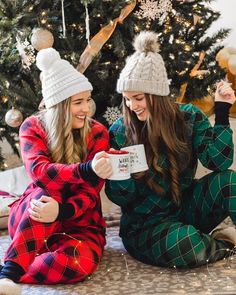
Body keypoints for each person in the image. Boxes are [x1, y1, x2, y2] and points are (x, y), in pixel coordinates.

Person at [105, 31, 236, 269]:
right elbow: (120, 196)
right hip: (145, 226)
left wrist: (222, 111)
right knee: (186, 243)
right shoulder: (120, 131)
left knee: (230, 182)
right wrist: (119, 173)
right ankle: (220, 243)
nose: (131, 106)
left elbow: (219, 163)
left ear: (156, 95)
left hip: (185, 208)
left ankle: (201, 238)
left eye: (138, 98)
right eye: (126, 99)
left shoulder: (189, 117)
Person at [0, 47, 112, 294]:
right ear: (59, 106)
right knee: (45, 195)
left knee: (76, 264)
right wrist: (86, 169)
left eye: (87, 100)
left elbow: (91, 192)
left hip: (79, 223)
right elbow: (40, 171)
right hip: (34, 216)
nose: (86, 109)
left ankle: (13, 270)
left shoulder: (98, 134)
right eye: (78, 102)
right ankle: (9, 273)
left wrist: (61, 211)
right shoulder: (32, 127)